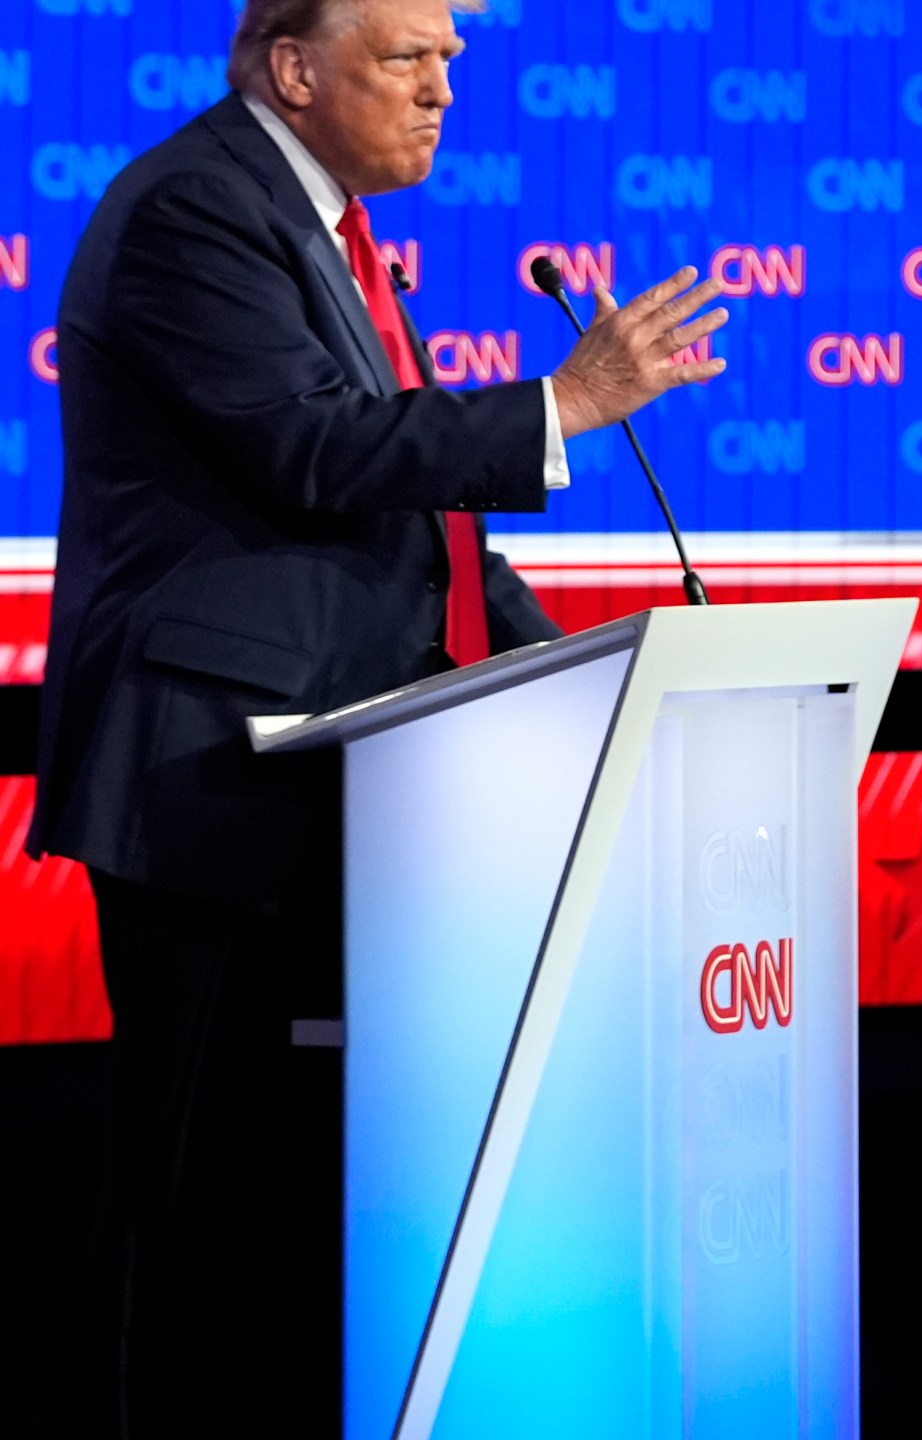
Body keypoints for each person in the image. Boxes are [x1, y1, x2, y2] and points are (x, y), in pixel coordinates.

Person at [28, 0, 730, 1429]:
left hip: (313, 792)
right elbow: (311, 450)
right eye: (409, 57)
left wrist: (615, 673)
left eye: (452, 60)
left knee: (284, 1214)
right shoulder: (193, 213)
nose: (442, 89)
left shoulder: (327, 234)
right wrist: (565, 401)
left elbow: (409, 520)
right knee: (190, 1200)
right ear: (296, 67)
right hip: (210, 789)